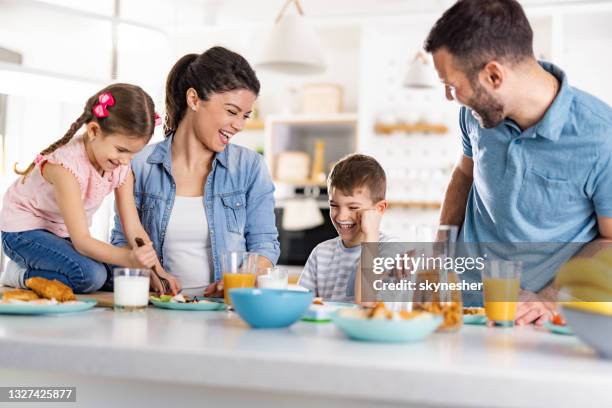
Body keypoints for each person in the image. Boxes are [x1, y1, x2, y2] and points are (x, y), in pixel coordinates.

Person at [424, 0, 612, 324]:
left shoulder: (601, 136)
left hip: (535, 321)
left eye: (452, 86)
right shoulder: (475, 114)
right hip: (461, 309)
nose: (450, 97)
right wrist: (438, 254)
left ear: (494, 75)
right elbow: (464, 174)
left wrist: (547, 300)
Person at [111, 46, 280, 297]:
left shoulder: (250, 167)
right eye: (232, 111)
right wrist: (146, 273)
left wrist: (245, 278)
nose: (239, 125)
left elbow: (264, 244)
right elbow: (121, 242)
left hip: (225, 314)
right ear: (194, 99)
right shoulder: (139, 165)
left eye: (245, 116)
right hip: (158, 312)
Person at [0, 84, 173, 294]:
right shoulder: (65, 167)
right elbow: (82, 241)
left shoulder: (122, 167)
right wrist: (129, 258)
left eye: (133, 154)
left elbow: (134, 229)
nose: (125, 161)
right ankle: (19, 274)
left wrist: (157, 271)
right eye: (121, 150)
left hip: (61, 234)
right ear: (93, 131)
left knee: (128, 276)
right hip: (23, 231)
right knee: (90, 276)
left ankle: (45, 266)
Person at [299, 154, 393, 301]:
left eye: (353, 207)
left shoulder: (390, 249)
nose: (341, 216)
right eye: (334, 205)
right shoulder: (320, 253)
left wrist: (370, 236)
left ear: (379, 209)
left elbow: (366, 301)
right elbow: (303, 307)